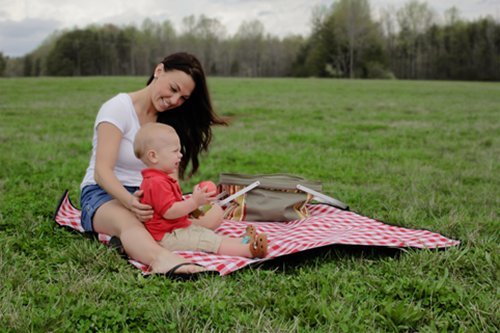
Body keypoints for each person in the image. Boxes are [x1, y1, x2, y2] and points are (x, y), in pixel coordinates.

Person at [79, 52, 228, 278]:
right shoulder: (117, 108)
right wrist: (130, 202)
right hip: (104, 194)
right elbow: (102, 172)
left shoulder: (168, 120)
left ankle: (136, 242)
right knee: (129, 221)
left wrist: (184, 205)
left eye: (183, 98)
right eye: (174, 88)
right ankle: (162, 260)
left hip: (151, 197)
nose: (175, 100)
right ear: (159, 71)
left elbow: (169, 175)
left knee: (213, 214)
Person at [133, 122, 269, 258]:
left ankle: (242, 241)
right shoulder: (156, 182)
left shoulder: (159, 179)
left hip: (174, 229)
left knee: (205, 234)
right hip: (167, 236)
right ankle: (248, 251)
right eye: (175, 151)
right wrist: (194, 202)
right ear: (153, 156)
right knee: (207, 241)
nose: (180, 155)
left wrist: (194, 205)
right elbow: (169, 211)